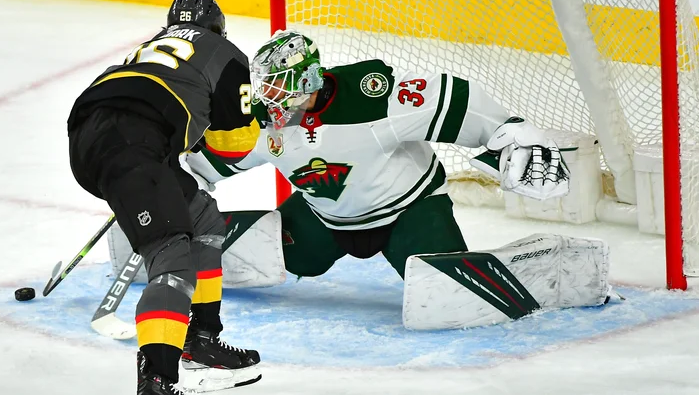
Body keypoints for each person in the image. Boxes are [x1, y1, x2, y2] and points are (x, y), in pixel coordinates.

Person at [184, 29, 571, 281]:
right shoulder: (263, 121)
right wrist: (176, 186)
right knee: (297, 259)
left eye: (280, 87)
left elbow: (450, 97)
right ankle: (188, 236)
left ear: (308, 80)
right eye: (266, 87)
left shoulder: (371, 97)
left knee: (438, 282)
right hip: (325, 218)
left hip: (408, 211)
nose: (271, 98)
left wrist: (510, 133)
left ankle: (527, 271)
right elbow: (216, 161)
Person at [67, 0, 262, 395]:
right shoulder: (225, 52)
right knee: (170, 256)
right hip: (133, 147)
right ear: (219, 28)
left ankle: (201, 341)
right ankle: (157, 380)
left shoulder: (148, 48)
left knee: (204, 218)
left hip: (94, 134)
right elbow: (234, 146)